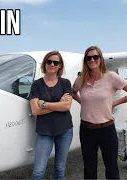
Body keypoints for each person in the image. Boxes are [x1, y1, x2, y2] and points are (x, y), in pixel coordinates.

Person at [72, 46, 127, 179]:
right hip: (86, 130)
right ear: (85, 60)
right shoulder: (81, 79)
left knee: (111, 168)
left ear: (100, 59)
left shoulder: (111, 77)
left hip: (106, 129)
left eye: (95, 57)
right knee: (89, 168)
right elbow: (73, 92)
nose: (92, 60)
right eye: (88, 57)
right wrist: (83, 102)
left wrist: (115, 103)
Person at [29, 50, 73, 180]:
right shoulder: (37, 84)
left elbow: (66, 106)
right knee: (38, 171)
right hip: (44, 132)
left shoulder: (65, 83)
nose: (52, 64)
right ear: (45, 64)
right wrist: (58, 104)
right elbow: (35, 111)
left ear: (59, 66)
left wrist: (45, 104)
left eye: (55, 62)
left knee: (60, 168)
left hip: (65, 130)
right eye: (49, 61)